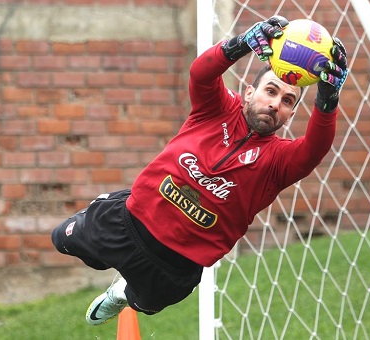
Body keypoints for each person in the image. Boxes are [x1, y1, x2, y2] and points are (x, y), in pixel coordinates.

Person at [51, 15, 348, 325]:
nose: (276, 104)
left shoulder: (279, 161)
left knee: (145, 304)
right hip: (129, 223)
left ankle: (120, 294)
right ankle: (104, 208)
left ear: (290, 115)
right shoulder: (216, 107)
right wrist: (242, 42)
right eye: (270, 91)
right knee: (62, 239)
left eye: (287, 101)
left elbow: (315, 148)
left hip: (175, 266)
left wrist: (328, 99)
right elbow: (201, 73)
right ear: (249, 92)